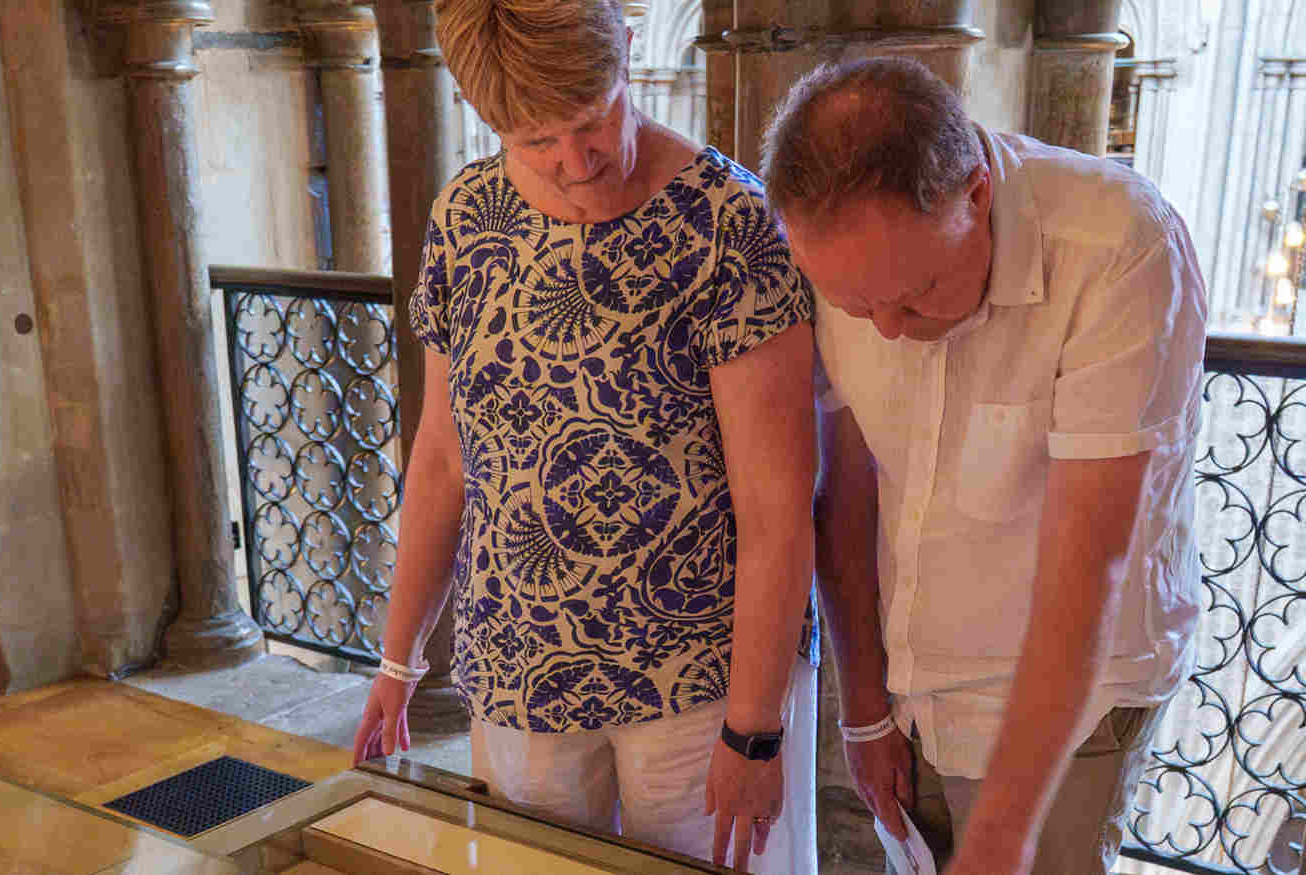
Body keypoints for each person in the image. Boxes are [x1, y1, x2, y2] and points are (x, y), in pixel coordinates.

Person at [351, 2, 819, 871]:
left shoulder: (729, 222)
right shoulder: (467, 219)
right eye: (535, 141)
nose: (577, 162)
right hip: (516, 668)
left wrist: (756, 731)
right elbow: (444, 458)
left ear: (628, 54)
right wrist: (399, 657)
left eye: (590, 117)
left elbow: (778, 497)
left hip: (701, 681)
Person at [759, 57, 1206, 875]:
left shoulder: (1118, 249)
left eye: (916, 291)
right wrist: (864, 705)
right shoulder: (845, 251)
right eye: (857, 307)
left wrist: (1001, 831)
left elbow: (1088, 570)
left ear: (976, 194)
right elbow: (848, 489)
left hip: (1077, 699)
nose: (886, 329)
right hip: (917, 679)